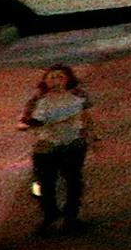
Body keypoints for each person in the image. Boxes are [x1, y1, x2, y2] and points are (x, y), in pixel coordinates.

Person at [18, 65, 93, 234]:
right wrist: (30, 124)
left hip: (73, 144)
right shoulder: (38, 100)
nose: (56, 80)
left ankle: (71, 216)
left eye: (60, 76)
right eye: (51, 77)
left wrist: (93, 137)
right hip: (46, 147)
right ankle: (50, 215)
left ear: (68, 79)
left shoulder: (78, 96)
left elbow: (87, 117)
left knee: (74, 182)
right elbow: (23, 122)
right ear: (45, 80)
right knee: (44, 184)